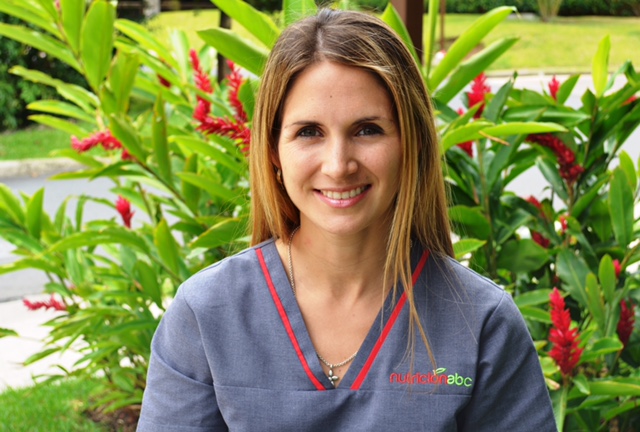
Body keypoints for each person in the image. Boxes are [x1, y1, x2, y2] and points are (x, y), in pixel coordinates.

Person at [137, 8, 556, 432]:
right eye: (309, 132)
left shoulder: (481, 323)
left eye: (367, 129)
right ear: (273, 152)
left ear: (411, 144)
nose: (338, 166)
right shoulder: (205, 315)